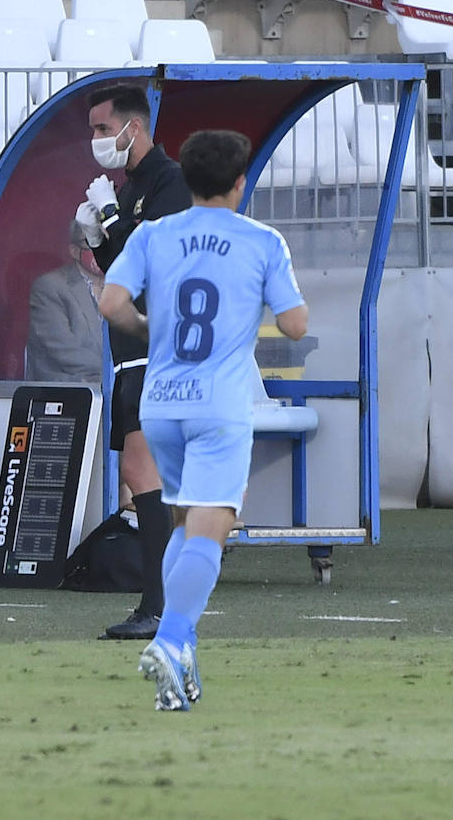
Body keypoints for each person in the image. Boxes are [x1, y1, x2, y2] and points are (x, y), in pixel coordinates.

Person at [98, 129, 308, 710]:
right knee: (213, 528)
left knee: (188, 525)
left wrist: (147, 330)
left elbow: (111, 305)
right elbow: (294, 324)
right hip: (218, 404)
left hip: (160, 399)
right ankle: (170, 640)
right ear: (240, 182)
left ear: (187, 179)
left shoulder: (152, 234)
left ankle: (179, 655)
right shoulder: (262, 241)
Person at [76, 83, 193, 641]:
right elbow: (118, 264)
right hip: (131, 354)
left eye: (103, 130)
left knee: (142, 474)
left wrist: (111, 215)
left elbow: (152, 257)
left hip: (160, 349)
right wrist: (97, 235)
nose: (97, 141)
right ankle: (160, 603)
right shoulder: (130, 186)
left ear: (133, 127)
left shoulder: (170, 182)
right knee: (140, 476)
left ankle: (160, 606)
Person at [26, 219, 105, 383]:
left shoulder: (125, 285)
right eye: (91, 242)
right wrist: (117, 369)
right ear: (74, 251)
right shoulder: (49, 287)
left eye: (104, 242)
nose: (100, 249)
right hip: (70, 393)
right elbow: (64, 351)